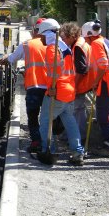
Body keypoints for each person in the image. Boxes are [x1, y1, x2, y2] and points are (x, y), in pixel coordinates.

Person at [36, 18, 85, 166]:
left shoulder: (53, 47)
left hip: (57, 93)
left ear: (46, 34)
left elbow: (54, 70)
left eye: (42, 36)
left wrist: (52, 88)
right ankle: (77, 153)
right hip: (69, 92)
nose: (41, 39)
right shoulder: (65, 46)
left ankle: (47, 150)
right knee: (70, 123)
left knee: (44, 121)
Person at [0, 18, 47, 152]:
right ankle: (48, 143)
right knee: (48, 117)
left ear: (35, 31)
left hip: (34, 86)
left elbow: (11, 58)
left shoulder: (26, 44)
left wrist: (3, 59)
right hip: (51, 88)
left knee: (33, 115)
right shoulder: (56, 44)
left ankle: (36, 142)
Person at [82, 20, 109, 157]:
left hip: (106, 84)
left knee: (103, 116)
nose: (86, 42)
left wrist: (95, 82)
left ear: (89, 35)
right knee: (106, 116)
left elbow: (103, 64)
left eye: (85, 38)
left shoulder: (96, 43)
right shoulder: (107, 42)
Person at [59, 22, 94, 140]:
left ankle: (77, 138)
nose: (63, 41)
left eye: (64, 38)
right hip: (85, 84)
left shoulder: (78, 47)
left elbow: (81, 70)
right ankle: (77, 137)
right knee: (79, 111)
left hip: (80, 85)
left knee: (76, 111)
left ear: (72, 35)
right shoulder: (82, 43)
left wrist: (74, 86)